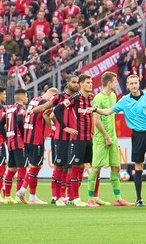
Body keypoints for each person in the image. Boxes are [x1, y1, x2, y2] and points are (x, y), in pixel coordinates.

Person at [91, 73, 146, 206]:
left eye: (136, 83)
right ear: (128, 86)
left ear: (139, 83)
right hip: (137, 135)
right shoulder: (124, 100)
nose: (134, 85)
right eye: (131, 84)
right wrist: (95, 110)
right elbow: (107, 112)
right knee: (138, 165)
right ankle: (139, 198)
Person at [31, 75, 79, 204]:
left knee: (70, 166)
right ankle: (56, 196)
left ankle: (67, 196)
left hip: (74, 136)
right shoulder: (59, 97)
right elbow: (47, 112)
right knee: (59, 165)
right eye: (73, 82)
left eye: (77, 82)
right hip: (61, 137)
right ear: (68, 83)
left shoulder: (79, 97)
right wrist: (31, 111)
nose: (76, 84)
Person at [89, 72, 133, 206]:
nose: (116, 84)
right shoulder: (98, 98)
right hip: (101, 138)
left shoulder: (113, 96)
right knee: (96, 168)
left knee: (116, 168)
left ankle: (118, 199)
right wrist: (106, 136)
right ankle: (90, 199)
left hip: (113, 138)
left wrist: (111, 137)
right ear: (109, 83)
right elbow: (96, 121)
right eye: (115, 81)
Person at [53, 73, 95, 206]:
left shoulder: (91, 99)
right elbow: (57, 110)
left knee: (82, 166)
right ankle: (72, 197)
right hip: (77, 138)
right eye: (87, 83)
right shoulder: (75, 98)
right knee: (74, 166)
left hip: (88, 137)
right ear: (82, 85)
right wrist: (65, 127)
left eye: (91, 82)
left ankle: (72, 197)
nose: (90, 85)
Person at [21, 86, 59, 204]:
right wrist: (53, 127)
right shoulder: (44, 103)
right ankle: (25, 192)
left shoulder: (33, 100)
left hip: (27, 137)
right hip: (36, 138)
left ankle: (29, 194)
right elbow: (45, 116)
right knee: (35, 167)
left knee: (34, 167)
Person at [2, 89, 28, 203]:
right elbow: (19, 119)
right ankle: (18, 197)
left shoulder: (9, 109)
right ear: (22, 98)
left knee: (11, 169)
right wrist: (23, 134)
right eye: (26, 96)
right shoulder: (21, 109)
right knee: (22, 168)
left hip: (10, 141)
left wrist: (6, 136)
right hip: (19, 142)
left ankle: (7, 196)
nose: (27, 98)